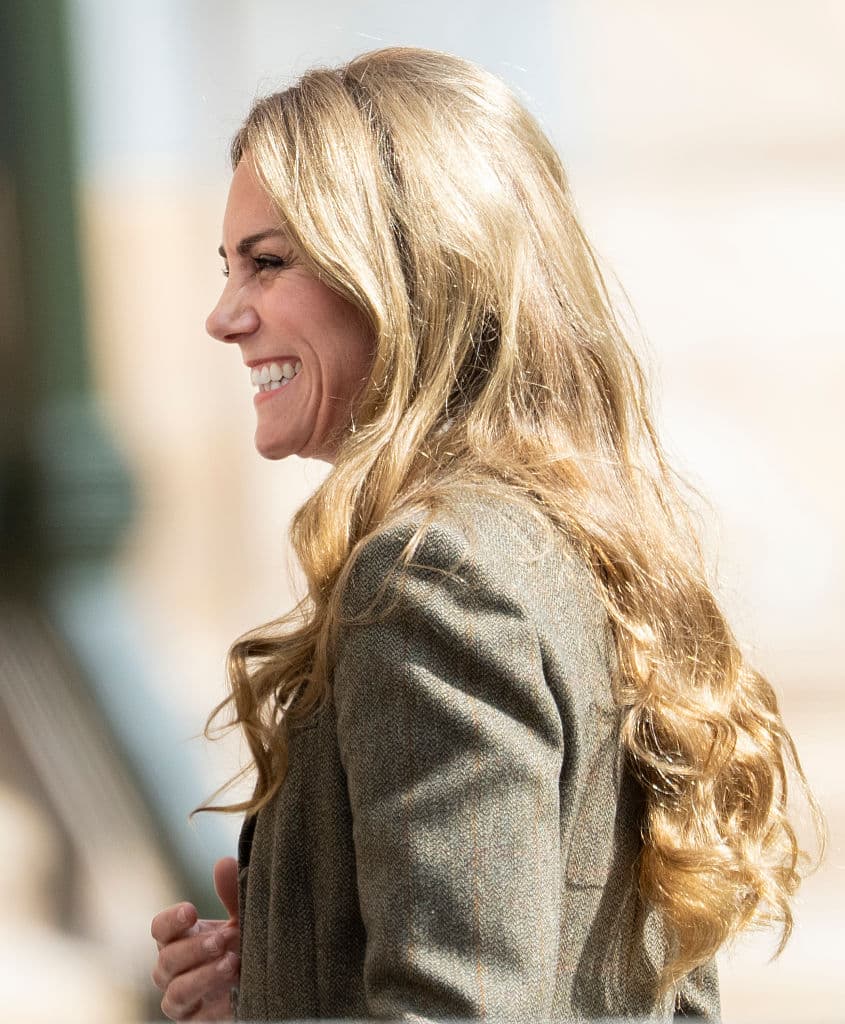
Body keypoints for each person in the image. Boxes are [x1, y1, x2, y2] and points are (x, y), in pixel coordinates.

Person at [150, 46, 823, 1021]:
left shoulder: (432, 578)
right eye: (228, 267)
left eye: (268, 262)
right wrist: (276, 977)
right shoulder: (570, 544)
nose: (223, 317)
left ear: (405, 271)